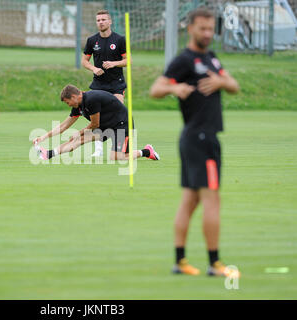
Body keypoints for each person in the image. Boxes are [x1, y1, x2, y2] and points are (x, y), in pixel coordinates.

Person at [149, 8, 240, 277]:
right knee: (212, 200)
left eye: (211, 29)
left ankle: (180, 262)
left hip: (201, 138)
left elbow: (233, 85)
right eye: (202, 28)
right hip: (199, 137)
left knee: (190, 200)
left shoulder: (211, 58)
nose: (208, 34)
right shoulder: (185, 60)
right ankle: (215, 264)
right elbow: (156, 89)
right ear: (190, 29)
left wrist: (221, 81)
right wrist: (174, 88)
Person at [34, 85, 160, 162]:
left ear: (73, 96)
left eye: (68, 102)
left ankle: (147, 152)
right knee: (78, 140)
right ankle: (48, 154)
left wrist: (79, 132)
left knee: (117, 157)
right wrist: (43, 137)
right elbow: (63, 126)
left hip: (121, 124)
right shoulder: (78, 105)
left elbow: (94, 124)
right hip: (105, 126)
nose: (69, 105)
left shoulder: (91, 100)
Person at [82, 10, 127, 158]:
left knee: (119, 114)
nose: (100, 22)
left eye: (103, 19)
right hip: (98, 84)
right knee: (97, 117)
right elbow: (84, 61)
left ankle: (121, 146)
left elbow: (128, 61)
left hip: (116, 84)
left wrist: (114, 64)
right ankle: (99, 149)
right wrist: (94, 69)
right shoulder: (92, 41)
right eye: (98, 20)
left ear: (110, 22)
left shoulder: (120, 40)